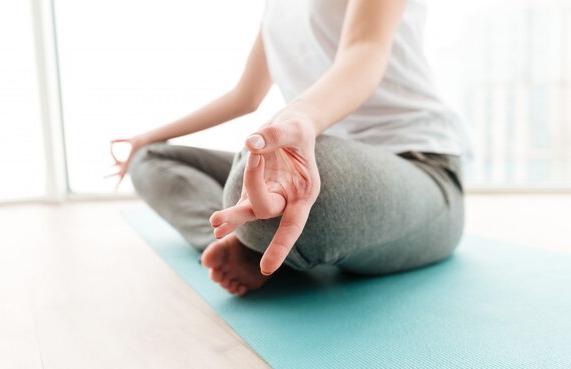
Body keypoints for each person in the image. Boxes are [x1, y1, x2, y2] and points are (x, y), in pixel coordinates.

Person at [108, 0, 471, 297]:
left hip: (422, 172)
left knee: (262, 183)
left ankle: (262, 246)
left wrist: (296, 121)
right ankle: (250, 247)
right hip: (320, 160)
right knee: (151, 160)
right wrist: (149, 136)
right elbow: (244, 96)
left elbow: (365, 49)